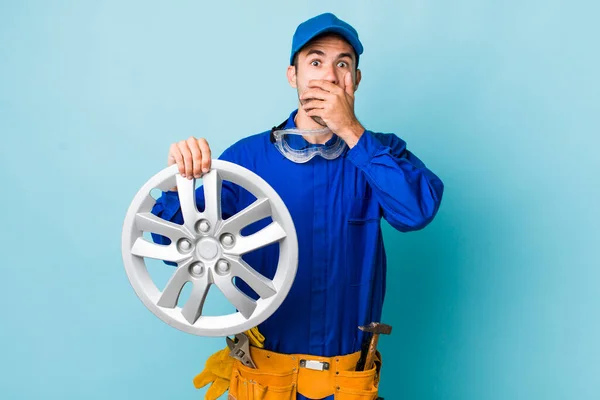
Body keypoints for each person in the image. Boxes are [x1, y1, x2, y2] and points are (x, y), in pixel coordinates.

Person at [150, 12, 444, 400]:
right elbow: (175, 247)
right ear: (293, 75)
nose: (329, 75)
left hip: (347, 383)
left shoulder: (382, 153)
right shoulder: (247, 159)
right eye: (316, 61)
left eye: (343, 64)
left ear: (355, 80)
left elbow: (416, 212)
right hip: (265, 380)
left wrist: (352, 133)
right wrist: (181, 182)